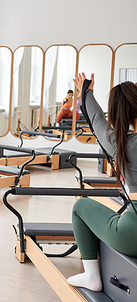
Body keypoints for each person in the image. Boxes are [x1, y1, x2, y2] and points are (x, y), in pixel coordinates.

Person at [67, 73, 137, 291]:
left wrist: (85, 91)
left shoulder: (121, 143)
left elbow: (97, 119)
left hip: (132, 235)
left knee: (80, 206)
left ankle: (92, 277)